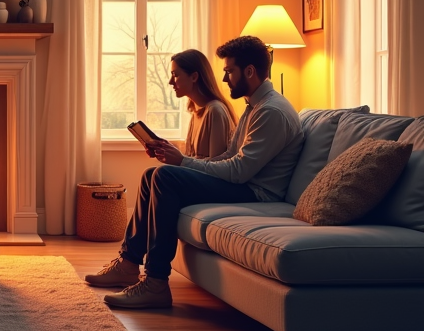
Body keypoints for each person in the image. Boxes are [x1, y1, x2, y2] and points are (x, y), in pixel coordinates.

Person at [85, 36, 304, 308]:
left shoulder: (271, 111)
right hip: (245, 184)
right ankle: (129, 263)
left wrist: (183, 163)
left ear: (249, 71)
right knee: (151, 174)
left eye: (229, 71)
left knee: (164, 176)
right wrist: (180, 160)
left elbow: (239, 171)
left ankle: (155, 283)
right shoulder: (254, 106)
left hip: (257, 193)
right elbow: (229, 156)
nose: (225, 79)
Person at [163, 48, 237, 160]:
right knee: (151, 172)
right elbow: (192, 159)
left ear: (194, 77)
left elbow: (216, 163)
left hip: (209, 177)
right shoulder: (195, 112)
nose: (170, 82)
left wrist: (180, 160)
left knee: (159, 172)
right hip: (196, 175)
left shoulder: (215, 111)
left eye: (175, 75)